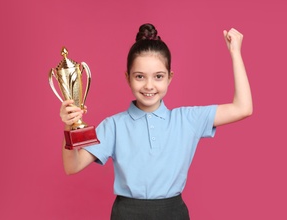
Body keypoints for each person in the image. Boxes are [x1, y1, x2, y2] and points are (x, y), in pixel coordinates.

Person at [59, 24, 252, 219]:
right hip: (126, 214)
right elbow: (72, 167)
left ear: (169, 78)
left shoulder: (187, 119)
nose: (149, 85)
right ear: (128, 78)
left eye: (158, 77)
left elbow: (242, 108)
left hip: (173, 213)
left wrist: (235, 53)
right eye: (140, 77)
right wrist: (70, 125)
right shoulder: (113, 126)